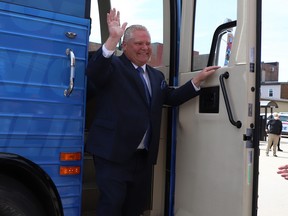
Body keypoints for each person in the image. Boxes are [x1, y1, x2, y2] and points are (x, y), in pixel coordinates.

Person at [85, 8, 220, 216]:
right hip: (112, 153)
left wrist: (197, 81)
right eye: (139, 43)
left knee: (134, 208)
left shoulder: (156, 76)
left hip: (142, 157)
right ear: (125, 45)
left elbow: (170, 99)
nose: (145, 48)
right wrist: (111, 39)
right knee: (111, 206)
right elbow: (94, 73)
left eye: (148, 43)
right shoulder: (113, 66)